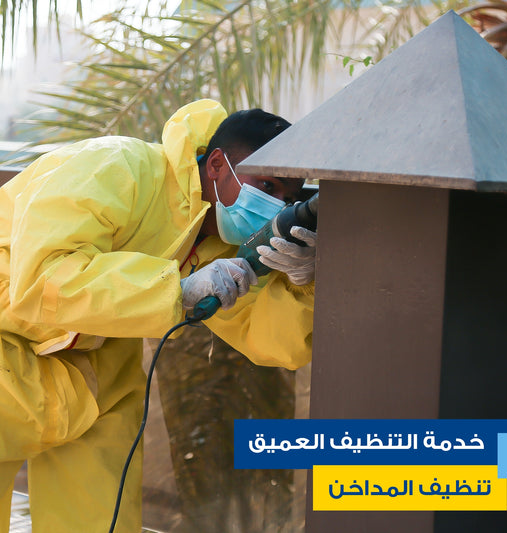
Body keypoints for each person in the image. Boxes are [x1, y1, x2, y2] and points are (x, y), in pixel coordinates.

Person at [0, 99, 315, 533]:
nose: (276, 204)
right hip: (8, 340)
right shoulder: (116, 167)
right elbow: (43, 281)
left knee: (100, 520)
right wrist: (175, 289)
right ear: (219, 165)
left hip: (95, 371)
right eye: (268, 185)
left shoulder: (219, 246)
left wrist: (305, 279)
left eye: (289, 197)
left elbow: (276, 341)